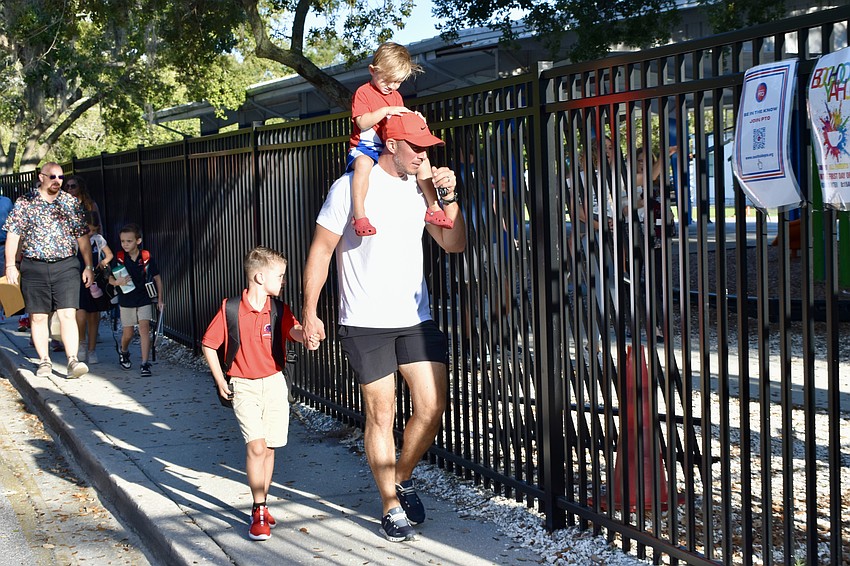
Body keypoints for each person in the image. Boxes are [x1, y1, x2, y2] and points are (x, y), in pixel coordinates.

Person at [301, 112, 465, 542]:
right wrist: (310, 310)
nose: (424, 155)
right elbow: (321, 251)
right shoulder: (350, 188)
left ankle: (402, 477)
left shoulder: (422, 189)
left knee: (432, 407)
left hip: (415, 317)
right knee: (382, 412)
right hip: (364, 320)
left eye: (428, 147)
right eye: (417, 147)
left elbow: (453, 243)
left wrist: (448, 198)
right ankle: (390, 505)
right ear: (392, 146)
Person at [201, 246, 314, 541]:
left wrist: (308, 336)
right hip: (244, 385)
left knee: (271, 446)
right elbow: (209, 344)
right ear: (260, 277)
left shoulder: (278, 309)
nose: (284, 281)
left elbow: (295, 332)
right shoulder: (231, 309)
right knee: (256, 447)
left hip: (275, 383)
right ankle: (259, 507)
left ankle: (263, 501)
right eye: (280, 275)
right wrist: (220, 379)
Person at [347, 42, 453, 237]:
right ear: (372, 71)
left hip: (389, 145)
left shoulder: (396, 96)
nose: (393, 86)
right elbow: (362, 123)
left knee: (424, 162)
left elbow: (401, 124)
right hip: (366, 146)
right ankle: (359, 214)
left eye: (398, 82)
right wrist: (386, 110)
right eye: (388, 80)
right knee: (363, 165)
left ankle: (433, 208)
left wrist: (415, 119)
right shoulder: (363, 93)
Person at [3, 162, 93, 378]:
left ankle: (73, 360)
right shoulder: (26, 203)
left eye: (61, 177)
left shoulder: (70, 203)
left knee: (67, 314)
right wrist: (10, 265)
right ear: (41, 177)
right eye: (52, 176)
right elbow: (13, 235)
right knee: (38, 316)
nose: (57, 181)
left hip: (66, 265)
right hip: (34, 266)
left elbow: (82, 238)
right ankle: (44, 361)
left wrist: (88, 265)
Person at [108, 223, 163, 377]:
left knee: (144, 328)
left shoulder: (146, 257)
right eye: (123, 241)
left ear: (138, 241)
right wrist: (117, 282)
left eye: (129, 241)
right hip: (126, 299)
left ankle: (145, 363)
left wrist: (160, 299)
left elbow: (157, 278)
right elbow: (109, 278)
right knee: (128, 333)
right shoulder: (119, 258)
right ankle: (123, 351)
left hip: (143, 297)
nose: (125, 244)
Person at [76, 211, 113, 363]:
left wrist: (104, 262)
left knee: (94, 315)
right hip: (78, 279)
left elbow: (109, 254)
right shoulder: (75, 239)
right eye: (87, 230)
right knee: (80, 313)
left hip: (95, 280)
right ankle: (81, 342)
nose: (89, 234)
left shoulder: (98, 240)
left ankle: (91, 349)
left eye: (92, 230)